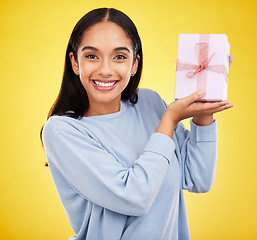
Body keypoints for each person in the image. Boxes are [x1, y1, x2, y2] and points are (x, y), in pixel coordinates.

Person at [41, 8, 233, 240]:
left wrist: (203, 110)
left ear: (134, 64)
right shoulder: (62, 130)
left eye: (119, 56)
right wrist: (170, 120)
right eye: (92, 56)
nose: (105, 69)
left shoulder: (150, 103)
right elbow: (134, 197)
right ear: (74, 62)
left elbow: (197, 178)